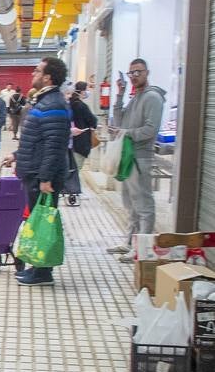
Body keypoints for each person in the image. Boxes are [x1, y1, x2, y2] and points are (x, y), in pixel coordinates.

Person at [3, 57, 71, 286]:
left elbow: (55, 146)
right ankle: (38, 268)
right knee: (37, 221)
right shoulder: (45, 101)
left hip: (41, 176)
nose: (33, 74)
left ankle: (43, 272)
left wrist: (46, 178)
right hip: (33, 170)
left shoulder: (54, 104)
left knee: (43, 223)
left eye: (37, 71)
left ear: (48, 77)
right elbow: (36, 141)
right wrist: (16, 155)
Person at [107, 59, 168, 260]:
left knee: (143, 204)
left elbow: (150, 130)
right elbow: (119, 119)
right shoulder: (136, 96)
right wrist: (120, 94)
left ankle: (143, 249)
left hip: (140, 158)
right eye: (131, 72)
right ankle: (129, 243)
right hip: (128, 157)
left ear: (147, 72)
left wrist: (126, 133)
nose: (134, 76)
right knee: (130, 203)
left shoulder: (152, 97)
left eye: (138, 72)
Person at [66, 81, 98, 207]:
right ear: (82, 91)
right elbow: (92, 120)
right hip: (80, 141)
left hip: (70, 141)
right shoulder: (81, 106)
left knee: (73, 167)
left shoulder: (70, 105)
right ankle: (72, 192)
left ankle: (73, 191)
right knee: (76, 168)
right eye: (86, 90)